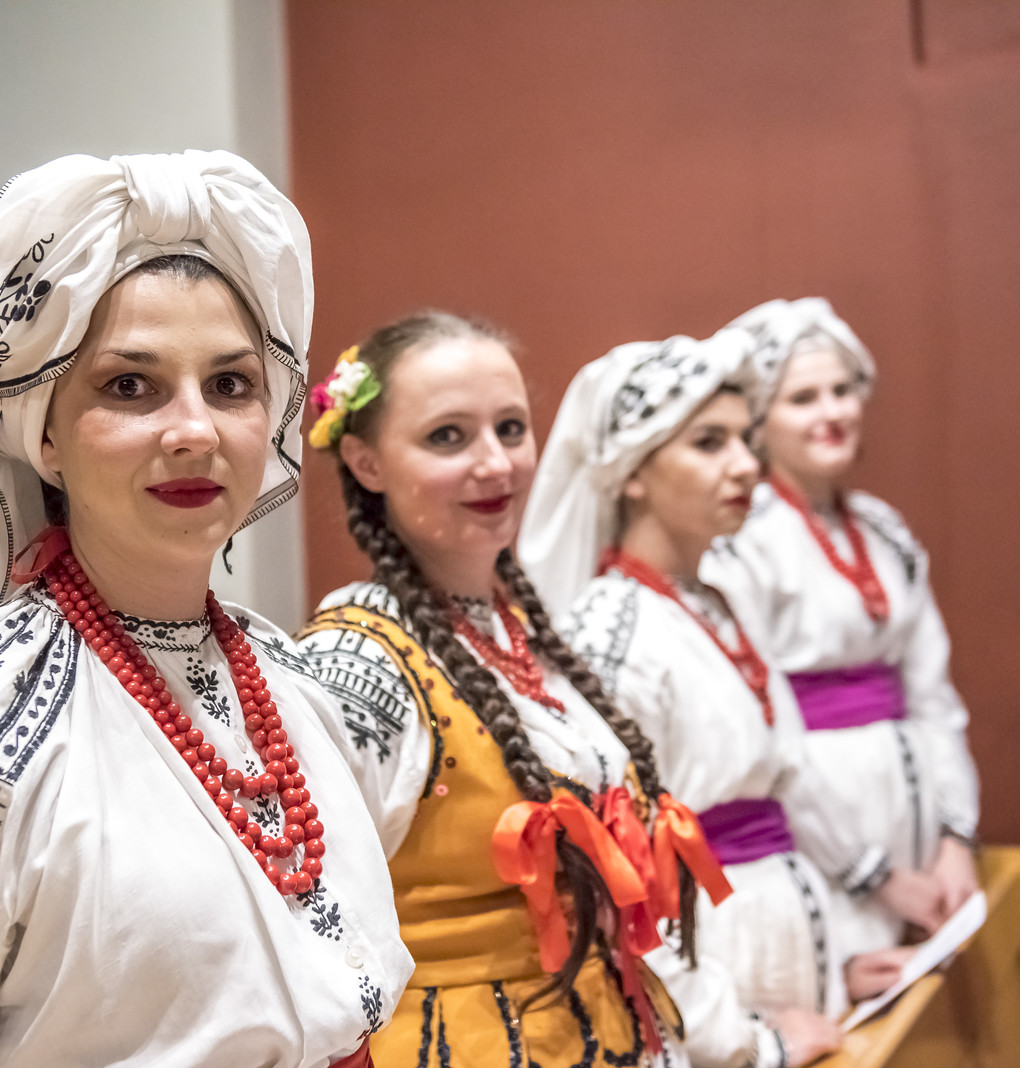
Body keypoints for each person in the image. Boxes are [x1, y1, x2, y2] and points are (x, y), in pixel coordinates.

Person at [0, 151, 412, 1067]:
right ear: (44, 433)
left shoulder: (293, 683)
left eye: (230, 385)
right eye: (130, 386)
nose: (194, 429)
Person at [295, 313, 725, 1068]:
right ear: (366, 462)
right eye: (448, 437)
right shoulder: (356, 660)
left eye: (511, 429)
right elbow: (308, 916)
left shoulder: (523, 629)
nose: (495, 462)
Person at [520, 334, 923, 1067]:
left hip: (774, 972)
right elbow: (622, 883)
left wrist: (834, 964)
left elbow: (770, 818)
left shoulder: (717, 601)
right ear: (633, 474)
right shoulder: (610, 632)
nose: (745, 465)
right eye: (709, 443)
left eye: (744, 439)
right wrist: (744, 1042)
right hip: (712, 1005)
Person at [705, 297, 980, 958]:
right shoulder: (741, 543)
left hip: (920, 841)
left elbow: (933, 696)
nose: (831, 412)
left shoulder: (885, 530)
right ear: (760, 420)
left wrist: (955, 837)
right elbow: (767, 735)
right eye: (803, 398)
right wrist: (873, 875)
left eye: (841, 391)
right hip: (817, 849)